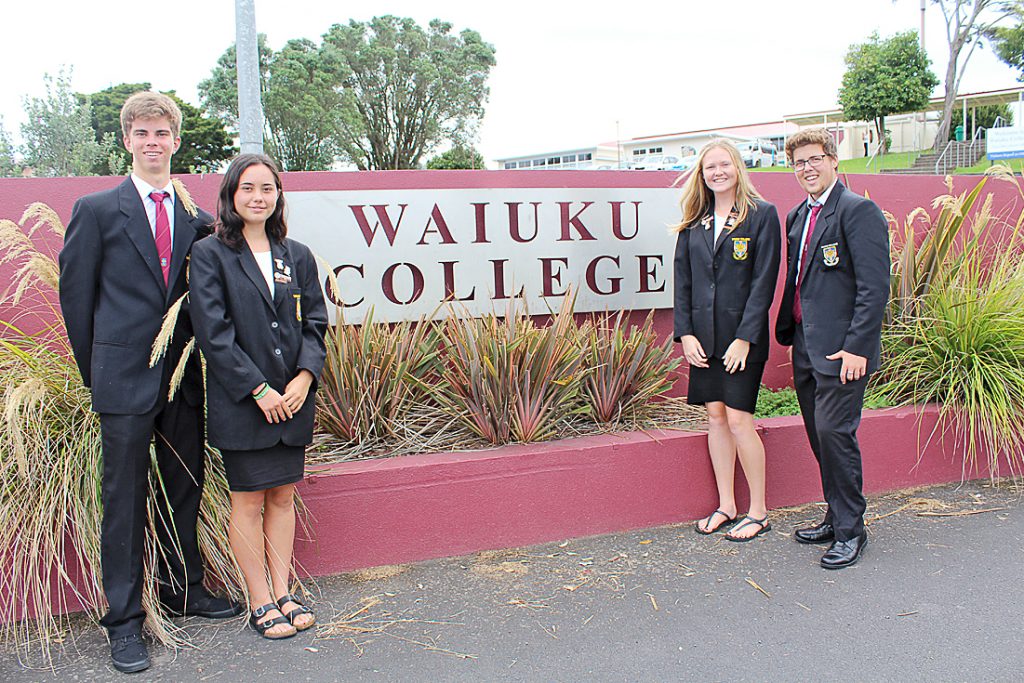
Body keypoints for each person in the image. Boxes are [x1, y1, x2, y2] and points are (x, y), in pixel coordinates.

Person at [58, 92, 241, 674]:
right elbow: (76, 299)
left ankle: (183, 589)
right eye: (142, 132)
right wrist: (97, 376)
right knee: (124, 498)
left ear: (176, 141)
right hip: (121, 380)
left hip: (182, 377)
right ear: (127, 140)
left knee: (184, 484)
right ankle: (124, 620)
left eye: (162, 133)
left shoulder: (198, 219)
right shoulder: (96, 210)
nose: (152, 141)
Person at [189, 154, 328, 640]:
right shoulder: (210, 254)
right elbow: (214, 333)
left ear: (278, 196)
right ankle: (260, 600)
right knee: (248, 500)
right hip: (244, 402)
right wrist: (258, 389)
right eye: (247, 188)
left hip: (293, 399)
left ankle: (284, 591)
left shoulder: (298, 255)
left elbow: (316, 324)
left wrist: (304, 378)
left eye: (267, 188)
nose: (257, 197)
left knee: (283, 497)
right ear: (231, 194)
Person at [775, 129, 889, 569]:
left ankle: (851, 530)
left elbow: (874, 288)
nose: (807, 168)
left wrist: (858, 347)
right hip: (807, 344)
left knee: (835, 434)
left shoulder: (858, 211)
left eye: (814, 159)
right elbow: (802, 281)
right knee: (818, 434)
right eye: (799, 162)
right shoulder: (797, 216)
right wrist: (794, 337)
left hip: (845, 351)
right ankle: (835, 514)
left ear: (833, 160)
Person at [673, 139, 781, 542]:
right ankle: (727, 506)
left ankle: (759, 512)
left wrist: (745, 339)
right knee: (715, 418)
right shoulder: (694, 222)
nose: (717, 172)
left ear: (738, 167)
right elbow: (683, 283)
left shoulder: (761, 215)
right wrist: (686, 334)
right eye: (709, 167)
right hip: (703, 340)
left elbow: (763, 283)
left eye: (724, 164)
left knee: (738, 419)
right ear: (701, 175)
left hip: (741, 342)